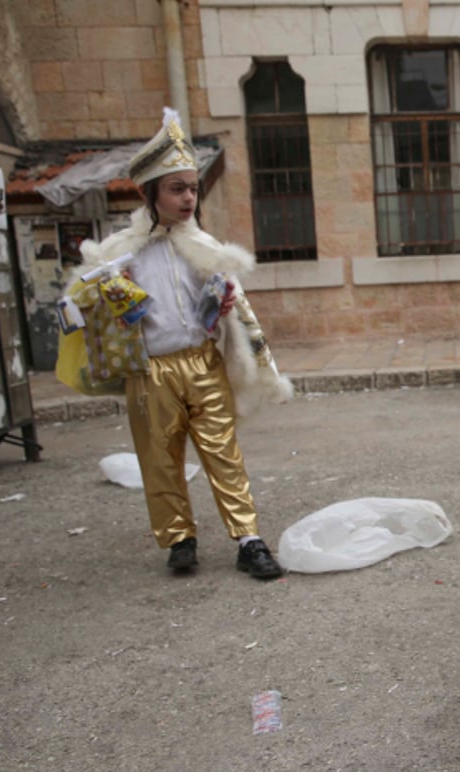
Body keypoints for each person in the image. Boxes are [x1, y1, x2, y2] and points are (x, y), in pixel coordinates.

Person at [67, 108, 292, 579]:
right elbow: (82, 308)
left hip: (203, 364)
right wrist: (108, 296)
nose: (188, 197)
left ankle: (248, 539)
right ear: (149, 193)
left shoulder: (204, 247)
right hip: (151, 372)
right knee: (159, 457)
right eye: (176, 188)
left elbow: (228, 305)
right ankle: (179, 539)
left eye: (192, 188)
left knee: (223, 453)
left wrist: (226, 307)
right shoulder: (122, 254)